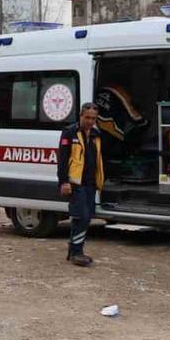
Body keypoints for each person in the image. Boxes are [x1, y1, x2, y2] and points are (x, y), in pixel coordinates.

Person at [57, 102, 104, 267]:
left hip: (90, 182)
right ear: (81, 116)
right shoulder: (70, 132)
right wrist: (63, 182)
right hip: (75, 182)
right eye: (88, 117)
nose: (90, 121)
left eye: (93, 118)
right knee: (82, 217)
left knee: (84, 217)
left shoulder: (96, 134)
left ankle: (74, 251)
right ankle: (77, 252)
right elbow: (62, 160)